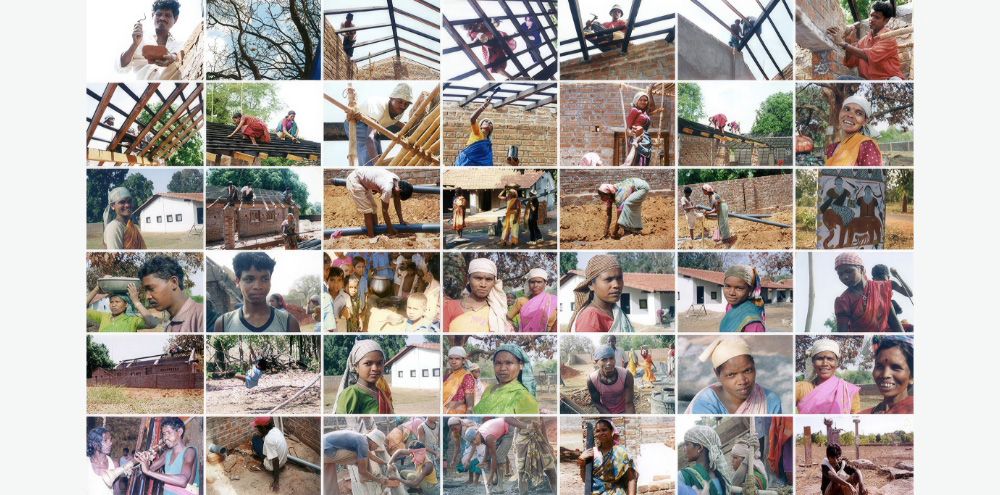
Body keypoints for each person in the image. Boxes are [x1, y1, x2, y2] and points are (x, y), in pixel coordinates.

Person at [686, 336, 782, 414]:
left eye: (747, 370)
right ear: (717, 374)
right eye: (731, 375)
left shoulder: (770, 402)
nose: (742, 381)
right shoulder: (704, 404)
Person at [215, 253, 299, 332]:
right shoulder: (223, 324)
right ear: (237, 282)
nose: (257, 286)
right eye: (249, 279)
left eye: (264, 279)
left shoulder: (288, 322)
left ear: (270, 280)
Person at [826, 1, 905, 80]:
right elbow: (850, 63)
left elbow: (868, 55)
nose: (872, 19)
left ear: (886, 21)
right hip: (868, 85)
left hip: (887, 81)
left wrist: (842, 43)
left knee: (895, 80)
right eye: (871, 16)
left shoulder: (889, 38)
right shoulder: (862, 41)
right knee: (842, 80)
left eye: (877, 17)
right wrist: (848, 40)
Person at [833, 253, 910, 332]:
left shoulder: (881, 289)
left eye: (849, 271)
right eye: (840, 274)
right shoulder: (843, 301)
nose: (844, 277)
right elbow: (843, 334)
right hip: (861, 342)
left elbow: (895, 325)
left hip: (884, 341)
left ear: (862, 270)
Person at [347, 83, 413, 166]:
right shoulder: (379, 108)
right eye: (400, 102)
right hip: (358, 122)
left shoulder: (399, 111)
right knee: (368, 151)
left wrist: (409, 128)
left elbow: (393, 121)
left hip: (372, 125)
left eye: (406, 104)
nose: (403, 106)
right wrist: (376, 164)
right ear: (391, 99)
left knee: (377, 153)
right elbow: (369, 139)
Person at [115, 1, 183, 80]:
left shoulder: (178, 45)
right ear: (152, 15)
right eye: (159, 14)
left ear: (175, 18)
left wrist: (172, 57)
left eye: (167, 15)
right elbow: (121, 66)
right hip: (143, 87)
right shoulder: (138, 37)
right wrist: (134, 44)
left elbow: (181, 59)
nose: (162, 18)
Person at [443, 258, 513, 333]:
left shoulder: (497, 310)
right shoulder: (450, 306)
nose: (483, 284)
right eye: (478, 278)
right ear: (468, 278)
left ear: (494, 281)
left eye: (488, 279)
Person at [568, 255, 634, 332]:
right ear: (591, 285)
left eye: (619, 278)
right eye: (608, 279)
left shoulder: (614, 311)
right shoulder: (590, 317)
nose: (616, 285)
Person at [344, 169, 414, 241]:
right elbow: (384, 211)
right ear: (399, 191)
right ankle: (372, 238)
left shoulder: (397, 181)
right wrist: (390, 229)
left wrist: (401, 220)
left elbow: (396, 201)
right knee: (368, 211)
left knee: (373, 208)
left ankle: (376, 232)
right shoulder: (388, 189)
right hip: (355, 181)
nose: (397, 198)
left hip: (364, 181)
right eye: (399, 196)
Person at [138, 256, 204, 332]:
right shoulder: (169, 325)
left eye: (151, 289)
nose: (147, 296)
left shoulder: (201, 317)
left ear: (174, 282)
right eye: (146, 291)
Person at [134, 418, 198, 495]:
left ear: (180, 431)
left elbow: (183, 481)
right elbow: (150, 469)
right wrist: (146, 460)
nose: (166, 437)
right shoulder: (167, 453)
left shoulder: (189, 451)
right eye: (164, 434)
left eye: (169, 433)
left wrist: (148, 471)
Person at [796, 338, 861, 414]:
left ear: (837, 362)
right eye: (820, 359)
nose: (825, 363)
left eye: (830, 359)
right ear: (812, 362)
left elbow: (855, 419)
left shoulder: (848, 390)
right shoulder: (800, 388)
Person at [472, 344, 540, 413]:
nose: (502, 368)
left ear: (521, 365)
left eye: (508, 363)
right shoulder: (488, 390)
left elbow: (530, 423)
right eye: (498, 363)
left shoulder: (526, 398)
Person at [323, 429, 391, 495]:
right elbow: (362, 471)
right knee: (361, 456)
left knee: (329, 475)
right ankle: (365, 478)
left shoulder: (362, 438)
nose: (376, 448)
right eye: (377, 446)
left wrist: (386, 463)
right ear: (374, 441)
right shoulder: (363, 444)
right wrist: (378, 480)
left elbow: (372, 457)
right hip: (326, 451)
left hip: (325, 448)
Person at [577, 419, 637, 495]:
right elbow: (585, 480)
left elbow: (631, 479)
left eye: (604, 430)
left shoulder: (622, 453)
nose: (601, 433)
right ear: (595, 434)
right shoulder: (592, 453)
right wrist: (582, 461)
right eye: (598, 431)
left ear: (612, 431)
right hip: (596, 492)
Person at [335, 339, 394, 413]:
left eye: (379, 363)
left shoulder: (382, 392)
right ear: (356, 367)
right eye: (368, 363)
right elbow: (345, 423)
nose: (375, 368)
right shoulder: (352, 394)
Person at [825, 95, 883, 166]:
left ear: (865, 121)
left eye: (858, 113)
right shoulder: (831, 149)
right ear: (840, 113)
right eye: (847, 109)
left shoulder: (866, 146)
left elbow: (871, 175)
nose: (850, 115)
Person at [862, 336, 913, 413]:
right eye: (879, 367)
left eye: (895, 367)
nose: (885, 375)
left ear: (912, 377)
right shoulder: (864, 415)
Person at [679, 425, 732, 495]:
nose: (684, 449)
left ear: (699, 447)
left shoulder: (682, 476)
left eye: (686, 444)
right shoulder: (721, 476)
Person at [87, 282, 158, 332]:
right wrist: (96, 289)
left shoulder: (131, 320)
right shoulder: (103, 316)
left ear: (126, 304)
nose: (113, 305)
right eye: (111, 302)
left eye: (117, 302)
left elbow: (152, 323)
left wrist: (136, 302)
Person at [588, 345, 636, 414]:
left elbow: (629, 404)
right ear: (596, 361)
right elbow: (597, 403)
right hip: (605, 412)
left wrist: (630, 421)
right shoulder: (592, 380)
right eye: (604, 360)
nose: (609, 363)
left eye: (611, 358)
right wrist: (611, 419)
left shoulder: (626, 375)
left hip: (624, 410)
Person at [720, 265, 766, 332]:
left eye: (739, 288)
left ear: (750, 289)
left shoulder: (752, 321)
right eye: (728, 286)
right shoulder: (729, 306)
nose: (731, 293)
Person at [248, 417, 288, 492]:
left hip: (273, 465)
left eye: (258, 428)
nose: (257, 430)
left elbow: (275, 459)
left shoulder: (269, 439)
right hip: (283, 461)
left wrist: (276, 481)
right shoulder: (276, 430)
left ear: (263, 427)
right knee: (258, 438)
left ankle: (263, 464)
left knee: (255, 439)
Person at [454, 96, 496, 166]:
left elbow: (488, 160)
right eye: (486, 121)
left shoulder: (488, 143)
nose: (488, 123)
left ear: (491, 129)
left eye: (490, 123)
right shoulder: (477, 131)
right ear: (480, 126)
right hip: (467, 161)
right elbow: (472, 118)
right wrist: (484, 105)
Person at [443, 346, 477, 414]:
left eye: (457, 359)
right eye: (451, 358)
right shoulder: (446, 378)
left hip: (459, 414)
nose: (454, 361)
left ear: (463, 360)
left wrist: (459, 402)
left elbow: (470, 406)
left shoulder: (467, 377)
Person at [625, 92, 655, 166]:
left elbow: (653, 106)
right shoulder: (634, 110)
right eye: (640, 100)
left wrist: (650, 90)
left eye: (645, 100)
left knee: (645, 161)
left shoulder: (645, 112)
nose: (643, 102)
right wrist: (631, 133)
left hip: (646, 140)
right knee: (637, 160)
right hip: (637, 139)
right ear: (636, 100)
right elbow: (628, 128)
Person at [88, 427, 119, 495]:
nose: (110, 443)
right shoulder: (85, 463)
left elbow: (116, 489)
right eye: (105, 440)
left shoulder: (114, 464)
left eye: (110, 440)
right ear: (94, 443)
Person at [322, 266, 350, 331]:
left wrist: (346, 313)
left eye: (339, 280)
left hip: (341, 331)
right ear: (326, 281)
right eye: (332, 280)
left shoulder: (346, 297)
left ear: (343, 282)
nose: (335, 284)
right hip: (327, 332)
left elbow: (349, 315)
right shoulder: (323, 297)